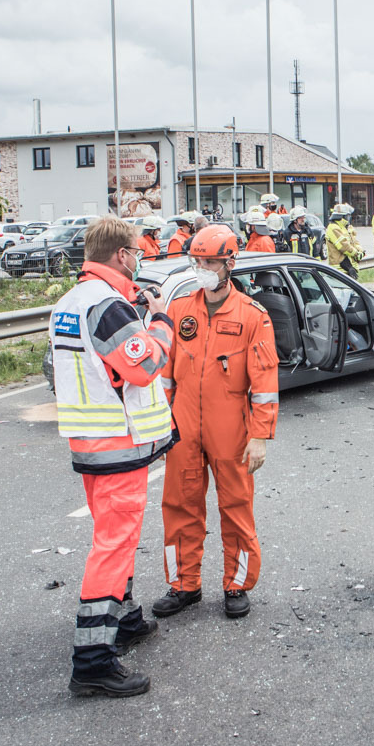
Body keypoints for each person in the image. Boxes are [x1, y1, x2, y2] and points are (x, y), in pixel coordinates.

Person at [49, 216, 176, 698]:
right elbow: (144, 366)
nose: (140, 258)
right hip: (116, 443)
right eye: (137, 252)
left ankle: (123, 620)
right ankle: (94, 659)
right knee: (114, 545)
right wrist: (160, 321)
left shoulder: (73, 300)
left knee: (113, 536)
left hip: (90, 441)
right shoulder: (107, 305)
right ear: (123, 255)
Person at [154, 225, 279, 622]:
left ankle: (236, 584)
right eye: (197, 261)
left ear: (229, 263)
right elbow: (165, 378)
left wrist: (259, 435)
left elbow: (264, 383)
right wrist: (161, 428)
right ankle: (183, 585)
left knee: (236, 506)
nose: (202, 268)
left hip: (231, 429)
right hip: (183, 427)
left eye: (209, 262)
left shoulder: (252, 316)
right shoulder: (179, 311)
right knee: (179, 505)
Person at [325, 203, 364, 277]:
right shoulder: (333, 228)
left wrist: (360, 250)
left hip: (348, 267)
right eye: (348, 215)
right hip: (339, 269)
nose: (349, 218)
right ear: (342, 216)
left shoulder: (345, 227)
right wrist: (356, 254)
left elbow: (354, 242)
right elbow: (344, 246)